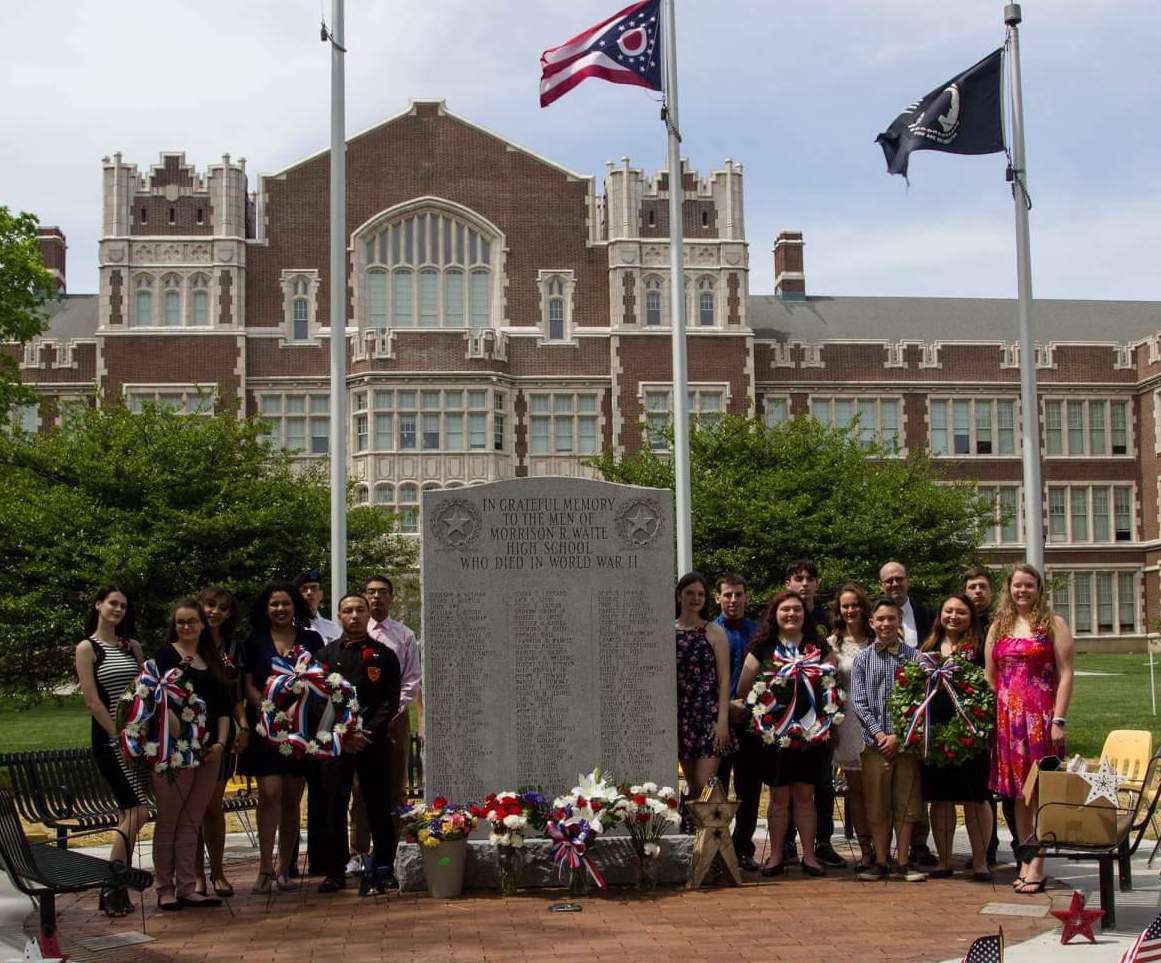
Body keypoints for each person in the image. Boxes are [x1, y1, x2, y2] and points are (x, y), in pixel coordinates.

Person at [985, 563, 1075, 895]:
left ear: (1039, 589)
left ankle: (1038, 864)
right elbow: (990, 677)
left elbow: (1066, 673)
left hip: (1041, 718)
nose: (1022, 591)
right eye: (1017, 586)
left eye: (1029, 585)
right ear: (1008, 590)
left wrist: (1059, 720)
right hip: (1008, 722)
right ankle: (1026, 857)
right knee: (1018, 795)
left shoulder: (1053, 624)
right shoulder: (999, 626)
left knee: (1040, 792)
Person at [734, 590, 831, 877]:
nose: (791, 614)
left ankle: (809, 856)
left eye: (797, 610)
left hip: (809, 737)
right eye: (785, 610)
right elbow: (744, 689)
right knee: (778, 799)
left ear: (805, 614)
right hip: (774, 737)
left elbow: (831, 684)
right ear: (774, 614)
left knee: (805, 796)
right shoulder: (762, 646)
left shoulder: (817, 645)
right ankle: (776, 855)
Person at [238, 580, 324, 894]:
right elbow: (247, 683)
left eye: (285, 603)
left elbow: (321, 681)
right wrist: (269, 709)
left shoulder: (312, 639)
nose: (280, 609)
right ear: (266, 608)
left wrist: (296, 710)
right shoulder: (254, 641)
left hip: (300, 728)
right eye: (274, 604)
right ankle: (264, 867)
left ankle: (285, 867)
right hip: (265, 728)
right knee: (269, 794)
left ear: (295, 606)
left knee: (291, 799)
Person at [316, 594, 403, 894]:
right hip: (337, 744)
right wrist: (344, 733)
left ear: (368, 614)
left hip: (371, 742)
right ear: (339, 615)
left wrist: (363, 731)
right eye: (347, 611)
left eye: (359, 610)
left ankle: (384, 867)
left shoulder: (384, 655)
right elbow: (317, 701)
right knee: (334, 806)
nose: (354, 615)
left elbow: (391, 701)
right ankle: (334, 871)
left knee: (378, 805)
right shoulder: (324, 657)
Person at [151, 600, 232, 910]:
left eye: (192, 622)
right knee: (169, 820)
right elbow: (156, 702)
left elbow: (223, 707)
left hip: (210, 751)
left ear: (202, 624)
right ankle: (165, 889)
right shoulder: (164, 658)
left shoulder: (212, 659)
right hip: (176, 752)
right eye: (181, 622)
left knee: (191, 820)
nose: (187, 627)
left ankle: (188, 887)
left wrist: (221, 743)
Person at [75, 584, 150, 917]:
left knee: (127, 814)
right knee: (139, 811)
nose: (118, 610)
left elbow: (147, 689)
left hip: (137, 739)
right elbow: (92, 699)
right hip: (110, 741)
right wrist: (119, 734)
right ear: (99, 606)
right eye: (112, 604)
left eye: (123, 605)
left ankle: (117, 890)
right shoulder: (87, 649)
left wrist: (140, 731)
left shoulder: (131, 646)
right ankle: (110, 882)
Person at [918, 593, 994, 881]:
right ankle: (944, 861)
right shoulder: (928, 647)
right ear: (940, 615)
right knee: (940, 798)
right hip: (936, 734)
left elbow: (989, 684)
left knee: (975, 798)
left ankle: (980, 861)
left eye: (961, 612)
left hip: (970, 733)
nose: (953, 617)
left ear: (971, 617)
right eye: (948, 611)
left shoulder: (978, 648)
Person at [852, 597, 926, 882]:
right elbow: (859, 702)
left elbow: (920, 701)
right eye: (880, 619)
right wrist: (880, 734)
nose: (885, 624)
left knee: (905, 803)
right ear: (872, 623)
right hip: (874, 745)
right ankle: (881, 860)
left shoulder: (914, 657)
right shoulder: (862, 659)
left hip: (906, 743)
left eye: (891, 618)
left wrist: (899, 735)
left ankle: (903, 861)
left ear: (899, 622)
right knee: (878, 803)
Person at [782, 559, 844, 869]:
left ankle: (823, 840)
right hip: (784, 719)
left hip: (819, 717)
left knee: (822, 782)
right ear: (787, 584)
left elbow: (832, 665)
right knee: (788, 784)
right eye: (798, 578)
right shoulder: (781, 618)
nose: (804, 583)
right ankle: (787, 841)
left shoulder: (826, 621)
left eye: (809, 578)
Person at [877, 560, 936, 866]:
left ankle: (918, 841)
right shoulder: (876, 617)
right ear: (880, 585)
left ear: (908, 581)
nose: (894, 585)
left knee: (916, 779)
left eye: (899, 579)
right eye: (888, 581)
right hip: (881, 709)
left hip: (920, 707)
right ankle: (881, 845)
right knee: (884, 781)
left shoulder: (927, 614)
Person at [193, 586, 247, 899]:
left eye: (222, 608)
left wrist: (243, 725)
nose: (215, 611)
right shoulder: (188, 643)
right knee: (195, 807)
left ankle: (217, 871)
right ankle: (196, 874)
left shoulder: (233, 649)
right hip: (191, 731)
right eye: (210, 605)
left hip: (222, 731)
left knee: (213, 806)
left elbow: (235, 694)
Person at [963, 565, 1016, 868]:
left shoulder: (1003, 623)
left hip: (1004, 711)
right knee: (983, 785)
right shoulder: (961, 624)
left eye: (983, 586)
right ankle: (987, 846)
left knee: (1009, 786)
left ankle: (1021, 844)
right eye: (972, 587)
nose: (978, 592)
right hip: (971, 716)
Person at [712, 573, 761, 871]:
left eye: (738, 594)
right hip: (718, 722)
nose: (733, 600)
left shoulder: (758, 632)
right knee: (715, 787)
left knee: (749, 789)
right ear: (717, 597)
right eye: (727, 595)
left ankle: (743, 847)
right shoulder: (709, 631)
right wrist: (725, 706)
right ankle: (714, 847)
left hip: (751, 721)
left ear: (746, 596)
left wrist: (750, 705)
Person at [828, 584, 875, 871]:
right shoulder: (833, 643)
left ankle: (885, 847)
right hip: (847, 721)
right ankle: (866, 848)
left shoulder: (876, 639)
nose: (850, 610)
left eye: (855, 604)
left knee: (879, 788)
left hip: (876, 718)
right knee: (856, 789)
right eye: (845, 606)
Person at [675, 572, 733, 801]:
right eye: (690, 593)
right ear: (680, 596)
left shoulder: (714, 631)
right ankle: (699, 835)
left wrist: (722, 722)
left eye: (700, 594)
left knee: (704, 787)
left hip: (708, 716)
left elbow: (724, 679)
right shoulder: (668, 631)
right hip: (682, 716)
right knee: (692, 787)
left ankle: (711, 835)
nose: (695, 598)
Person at [294, 569, 341, 643]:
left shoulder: (334, 628)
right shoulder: (289, 627)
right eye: (304, 589)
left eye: (314, 588)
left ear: (321, 595)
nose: (309, 592)